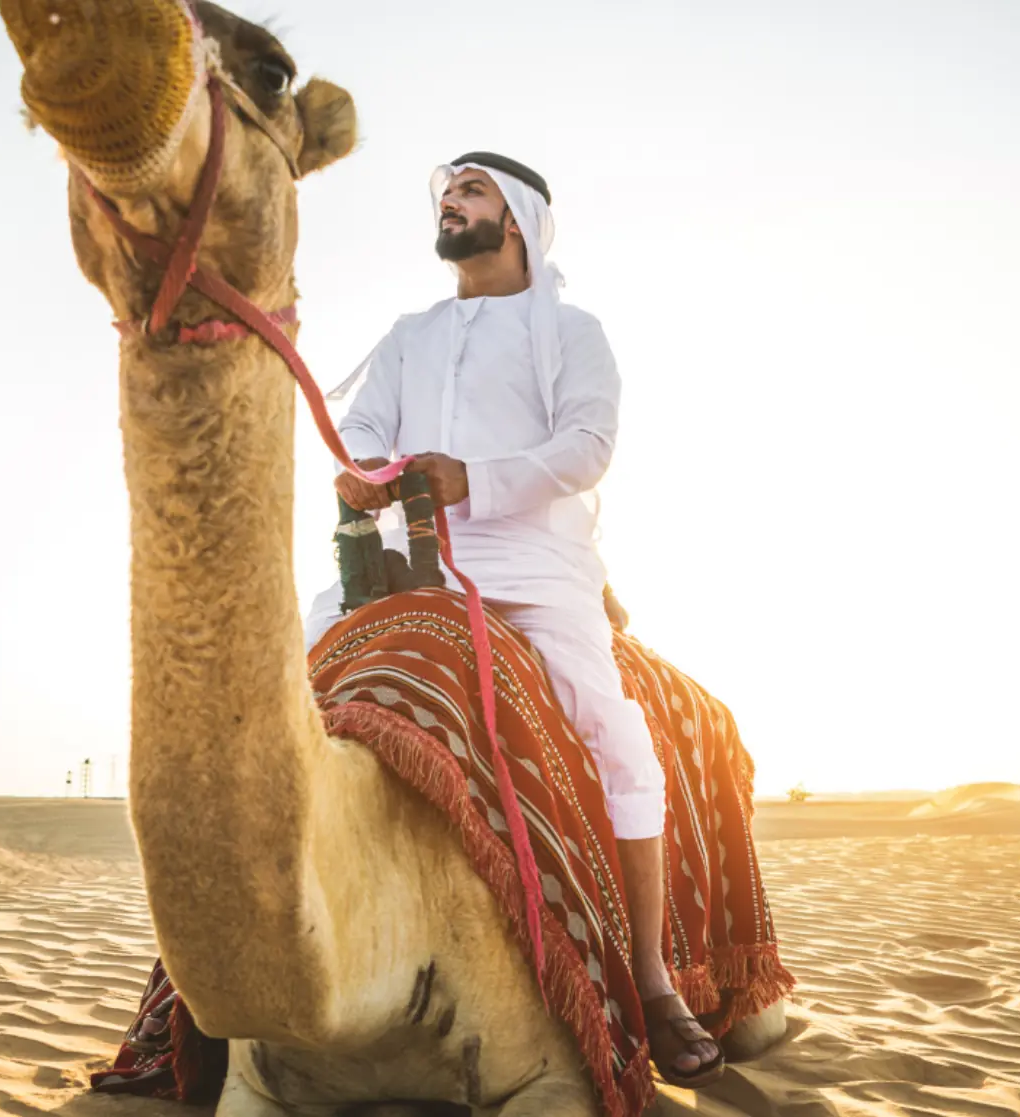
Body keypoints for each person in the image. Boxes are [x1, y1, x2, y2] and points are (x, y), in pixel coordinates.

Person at [303, 152, 722, 1085]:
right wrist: (360, 464)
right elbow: (364, 427)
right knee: (290, 683)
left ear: (520, 220)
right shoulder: (410, 334)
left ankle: (652, 980)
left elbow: (588, 445)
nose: (451, 205)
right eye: (445, 195)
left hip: (532, 560)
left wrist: (475, 481)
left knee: (618, 735)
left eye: (471, 192)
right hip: (409, 553)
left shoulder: (570, 331)